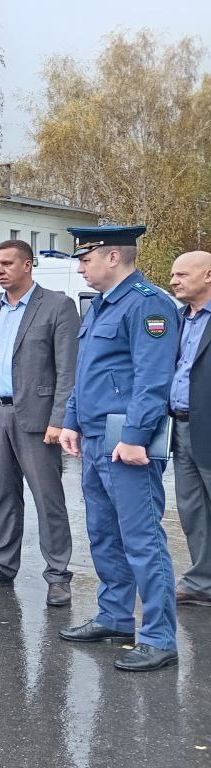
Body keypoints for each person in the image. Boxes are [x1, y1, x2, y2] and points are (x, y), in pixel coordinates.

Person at [58, 226, 180, 672]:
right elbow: (86, 370)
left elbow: (153, 379)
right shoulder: (101, 306)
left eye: (85, 258)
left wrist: (134, 437)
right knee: (104, 533)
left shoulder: (149, 303)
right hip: (93, 435)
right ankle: (115, 616)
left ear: (112, 257)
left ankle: (159, 637)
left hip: (126, 438)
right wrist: (71, 420)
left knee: (142, 538)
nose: (80, 266)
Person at [0, 240, 79, 606]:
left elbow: (67, 371)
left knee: (48, 499)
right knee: (3, 497)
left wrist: (59, 419)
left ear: (28, 265)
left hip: (38, 420)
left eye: (7, 263)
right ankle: (1, 564)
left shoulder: (58, 305)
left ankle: (58, 574)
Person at [168, 250, 211, 607]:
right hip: (180, 428)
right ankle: (202, 581)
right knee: (192, 508)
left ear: (208, 275)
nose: (174, 281)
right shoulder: (179, 318)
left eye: (182, 274)